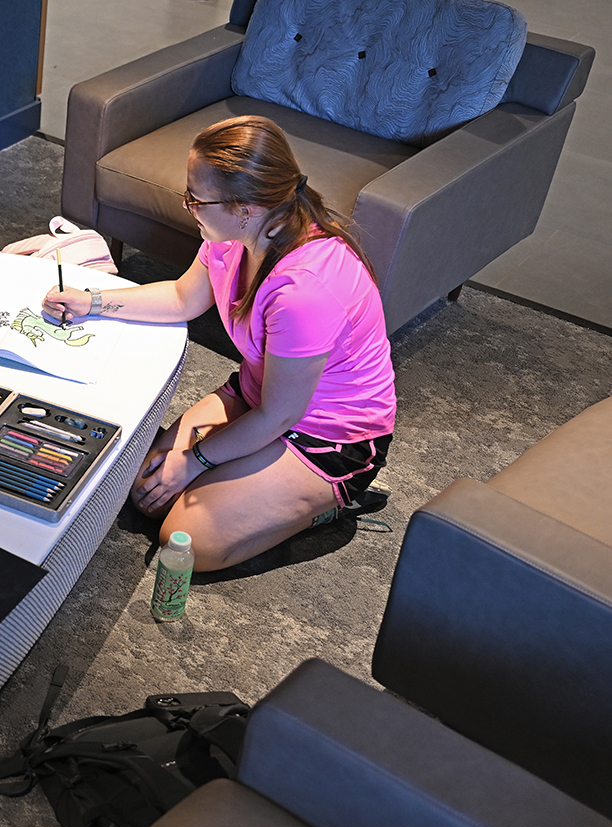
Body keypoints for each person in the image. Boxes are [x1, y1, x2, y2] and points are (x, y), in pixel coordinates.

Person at [43, 115, 396, 573]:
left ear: (244, 206)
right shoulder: (236, 234)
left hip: (326, 434)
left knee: (185, 543)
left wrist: (194, 461)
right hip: (259, 398)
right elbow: (181, 297)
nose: (189, 206)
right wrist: (92, 301)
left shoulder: (305, 290)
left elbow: (281, 414)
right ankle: (241, 482)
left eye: (196, 198)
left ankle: (328, 505)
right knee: (143, 490)